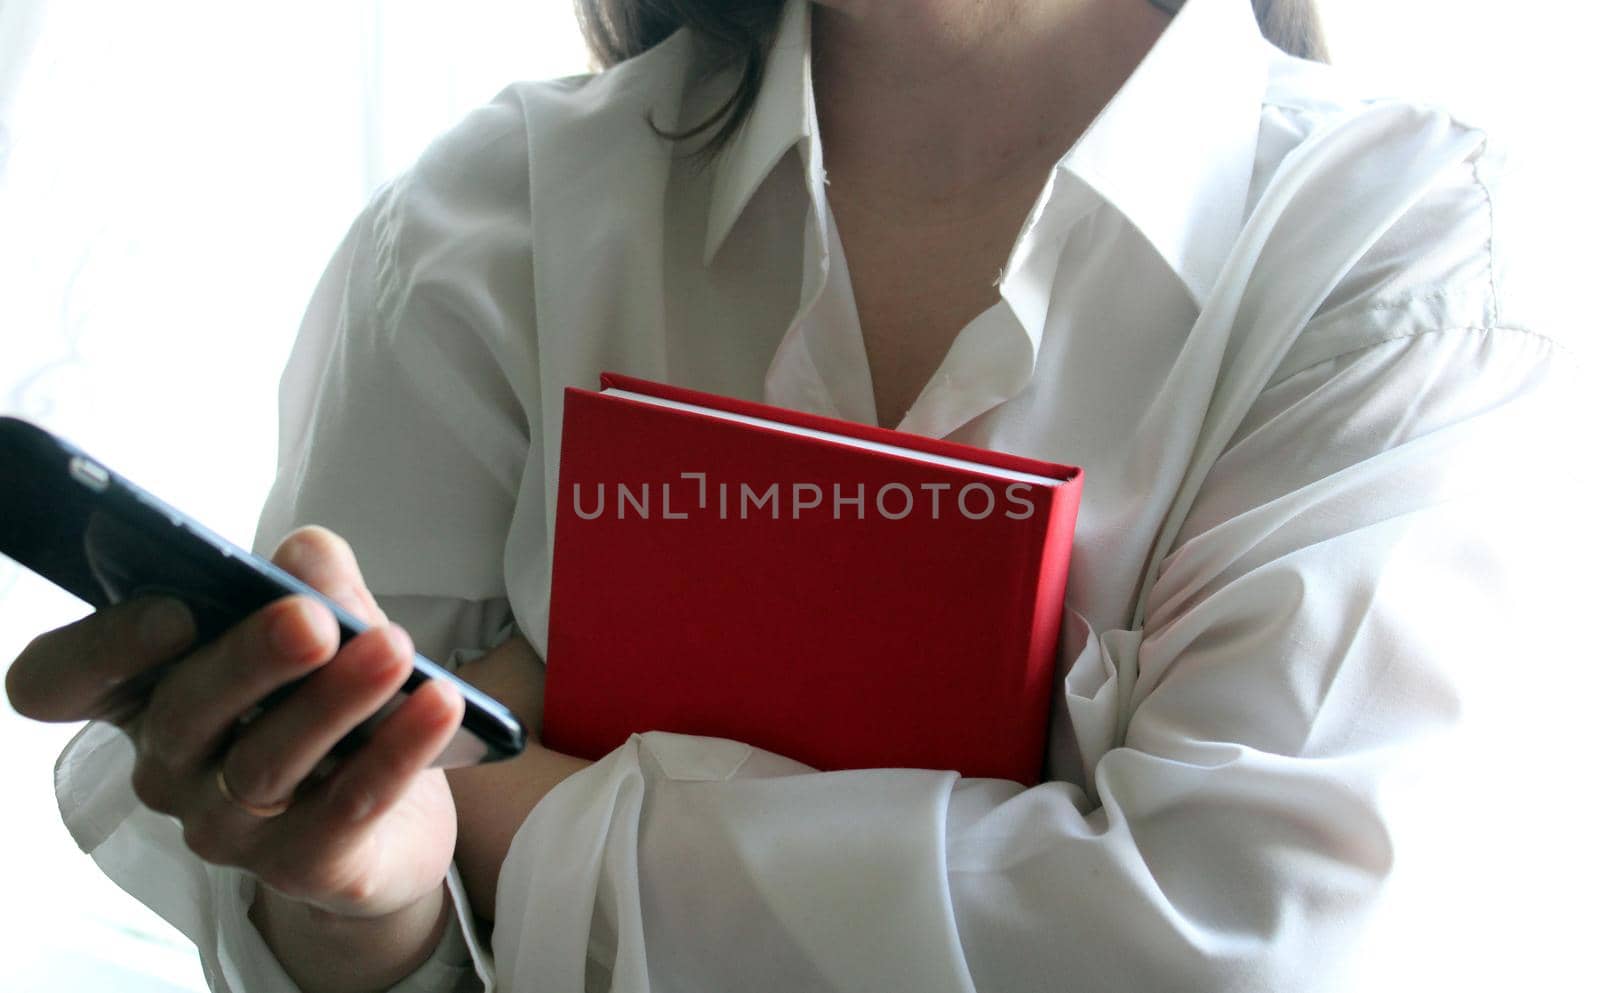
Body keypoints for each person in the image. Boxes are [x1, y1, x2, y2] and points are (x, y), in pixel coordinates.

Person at [6, 0, 1586, 990]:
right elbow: (337, 919)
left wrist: (499, 802)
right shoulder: (491, 226)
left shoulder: (1404, 259)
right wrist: (365, 905)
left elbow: (1245, 951)